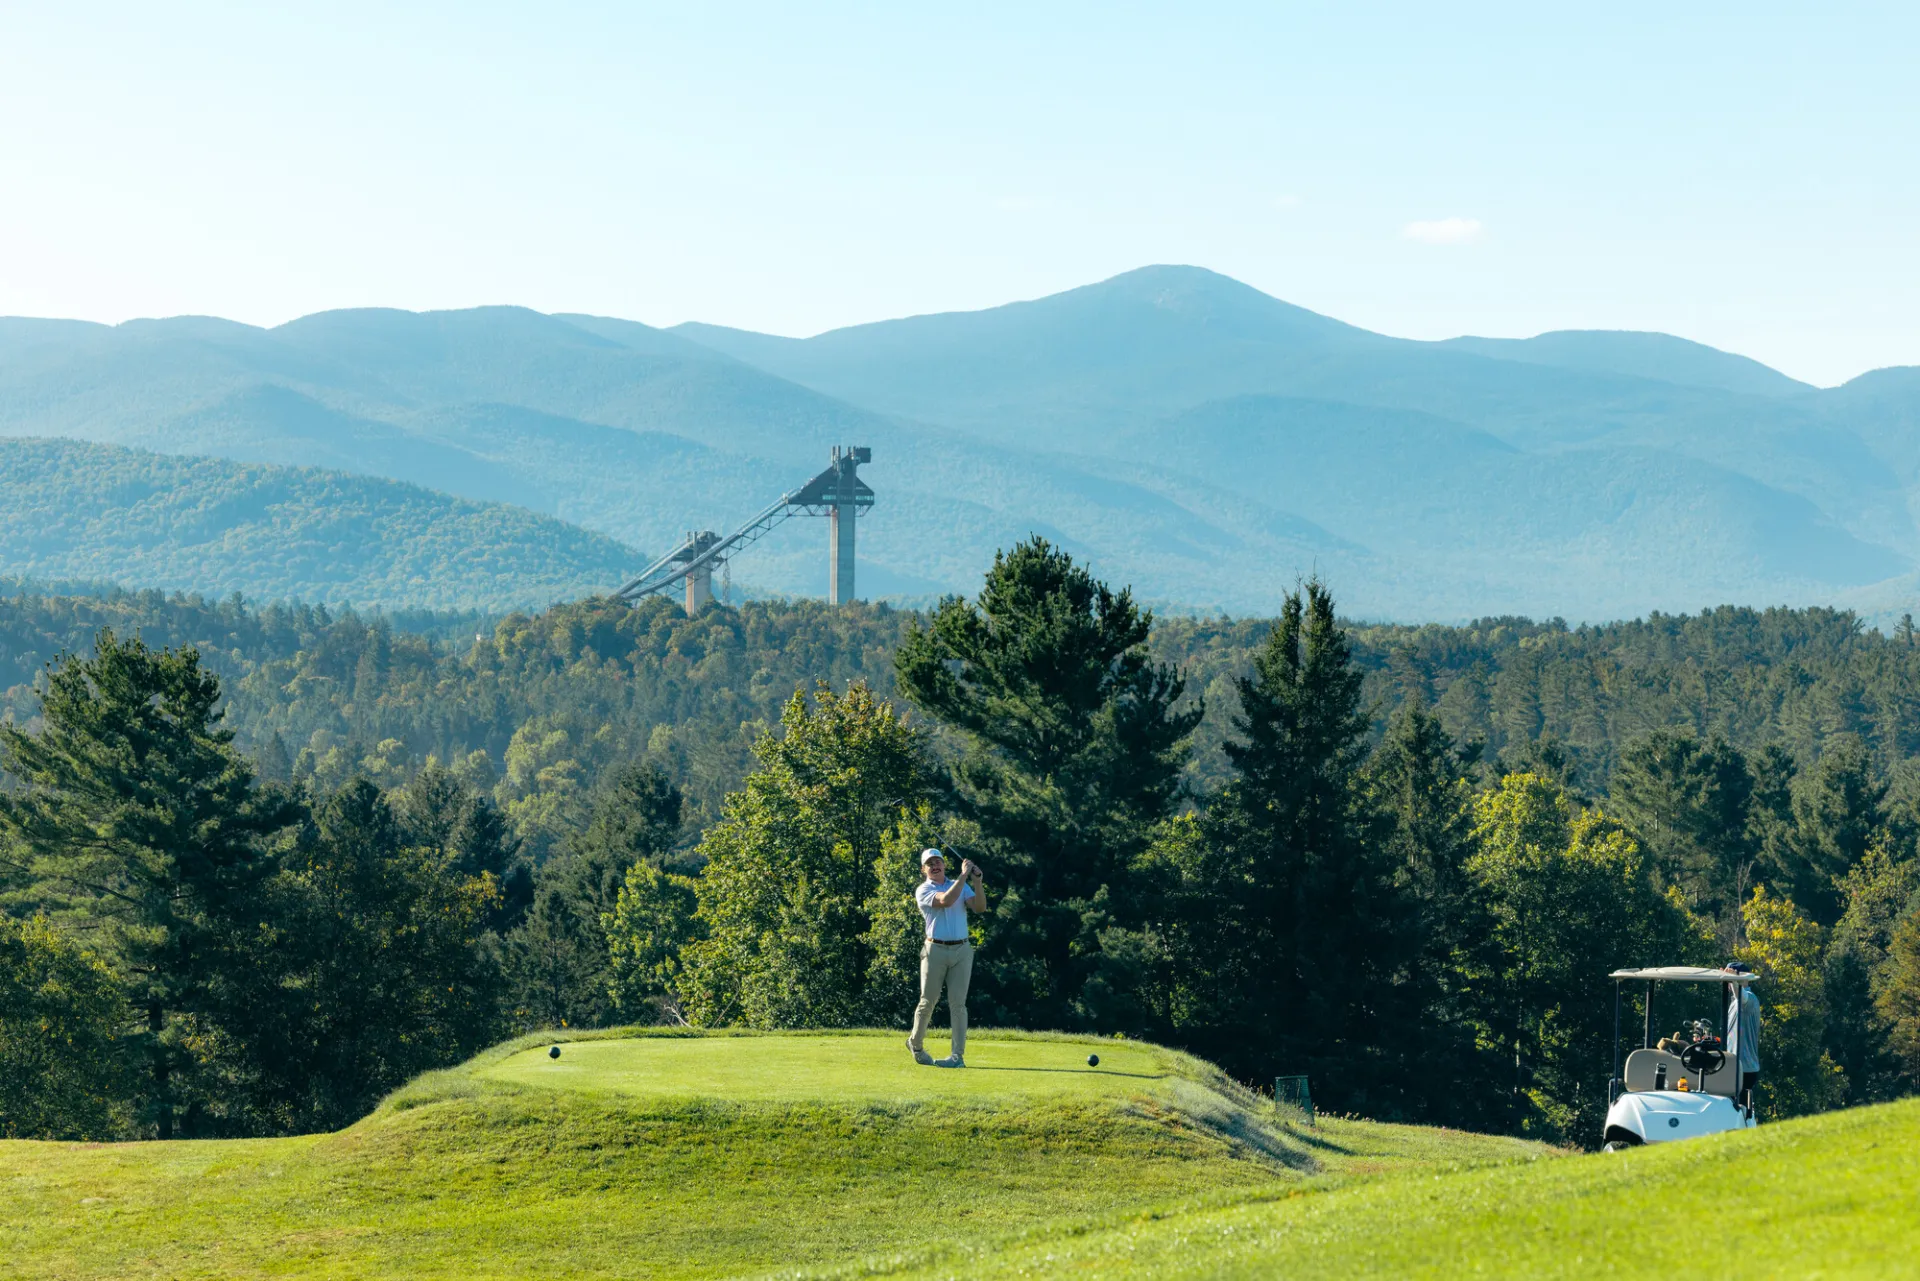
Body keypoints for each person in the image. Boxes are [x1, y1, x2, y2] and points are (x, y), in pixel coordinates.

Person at [907, 847, 986, 1068]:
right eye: (929, 863)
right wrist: (963, 876)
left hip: (962, 950)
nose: (935, 865)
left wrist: (977, 881)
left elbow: (979, 907)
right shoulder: (923, 890)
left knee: (958, 1004)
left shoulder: (961, 885)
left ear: (944, 865)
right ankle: (916, 1044)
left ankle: (957, 1057)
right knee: (928, 1001)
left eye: (938, 861)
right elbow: (945, 901)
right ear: (924, 869)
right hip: (935, 950)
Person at [1725, 962, 1762, 1109]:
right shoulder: (1734, 1002)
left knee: (1739, 1111)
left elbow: (1742, 997)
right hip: (1732, 1066)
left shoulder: (1750, 999)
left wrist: (1734, 981)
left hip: (1745, 1068)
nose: (1729, 984)